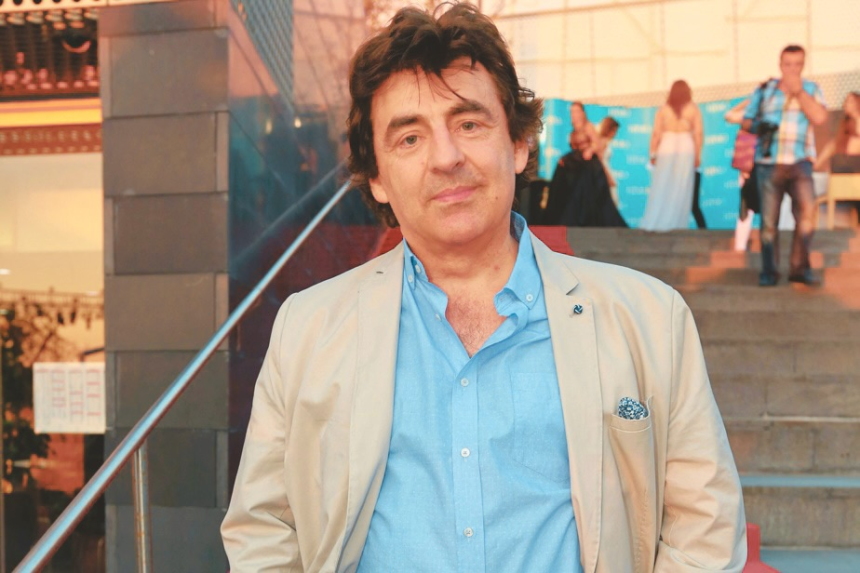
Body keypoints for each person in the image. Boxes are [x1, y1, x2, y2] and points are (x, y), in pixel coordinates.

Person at [221, 4, 746, 572]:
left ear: (518, 144)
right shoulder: (307, 328)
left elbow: (704, 528)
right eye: (409, 138)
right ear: (377, 178)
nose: (446, 158)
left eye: (469, 124)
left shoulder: (650, 319)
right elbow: (264, 525)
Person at [742, 45, 828, 286]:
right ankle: (769, 272)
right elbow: (746, 121)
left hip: (801, 162)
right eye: (788, 64)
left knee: (807, 217)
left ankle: (799, 269)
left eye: (797, 64)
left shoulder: (812, 89)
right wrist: (759, 127)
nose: (792, 69)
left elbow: (820, 118)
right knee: (769, 223)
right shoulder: (764, 90)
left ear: (803, 65)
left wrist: (799, 92)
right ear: (780, 65)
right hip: (768, 163)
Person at [639, 80, 703, 231]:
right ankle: (676, 223)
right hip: (686, 146)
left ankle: (656, 221)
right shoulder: (693, 109)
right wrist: (697, 155)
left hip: (666, 146)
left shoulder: (663, 109)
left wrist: (652, 154)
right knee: (681, 186)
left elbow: (656, 134)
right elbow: (698, 133)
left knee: (662, 185)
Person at [545, 128, 627, 227]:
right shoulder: (565, 162)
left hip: (571, 221)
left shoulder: (568, 161)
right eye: (579, 143)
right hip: (589, 222)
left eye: (583, 142)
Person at [596, 116, 621, 206]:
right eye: (614, 131)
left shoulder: (603, 141)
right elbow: (600, 161)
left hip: (604, 172)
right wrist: (609, 178)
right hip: (603, 173)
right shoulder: (603, 142)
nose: (615, 134)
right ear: (608, 129)